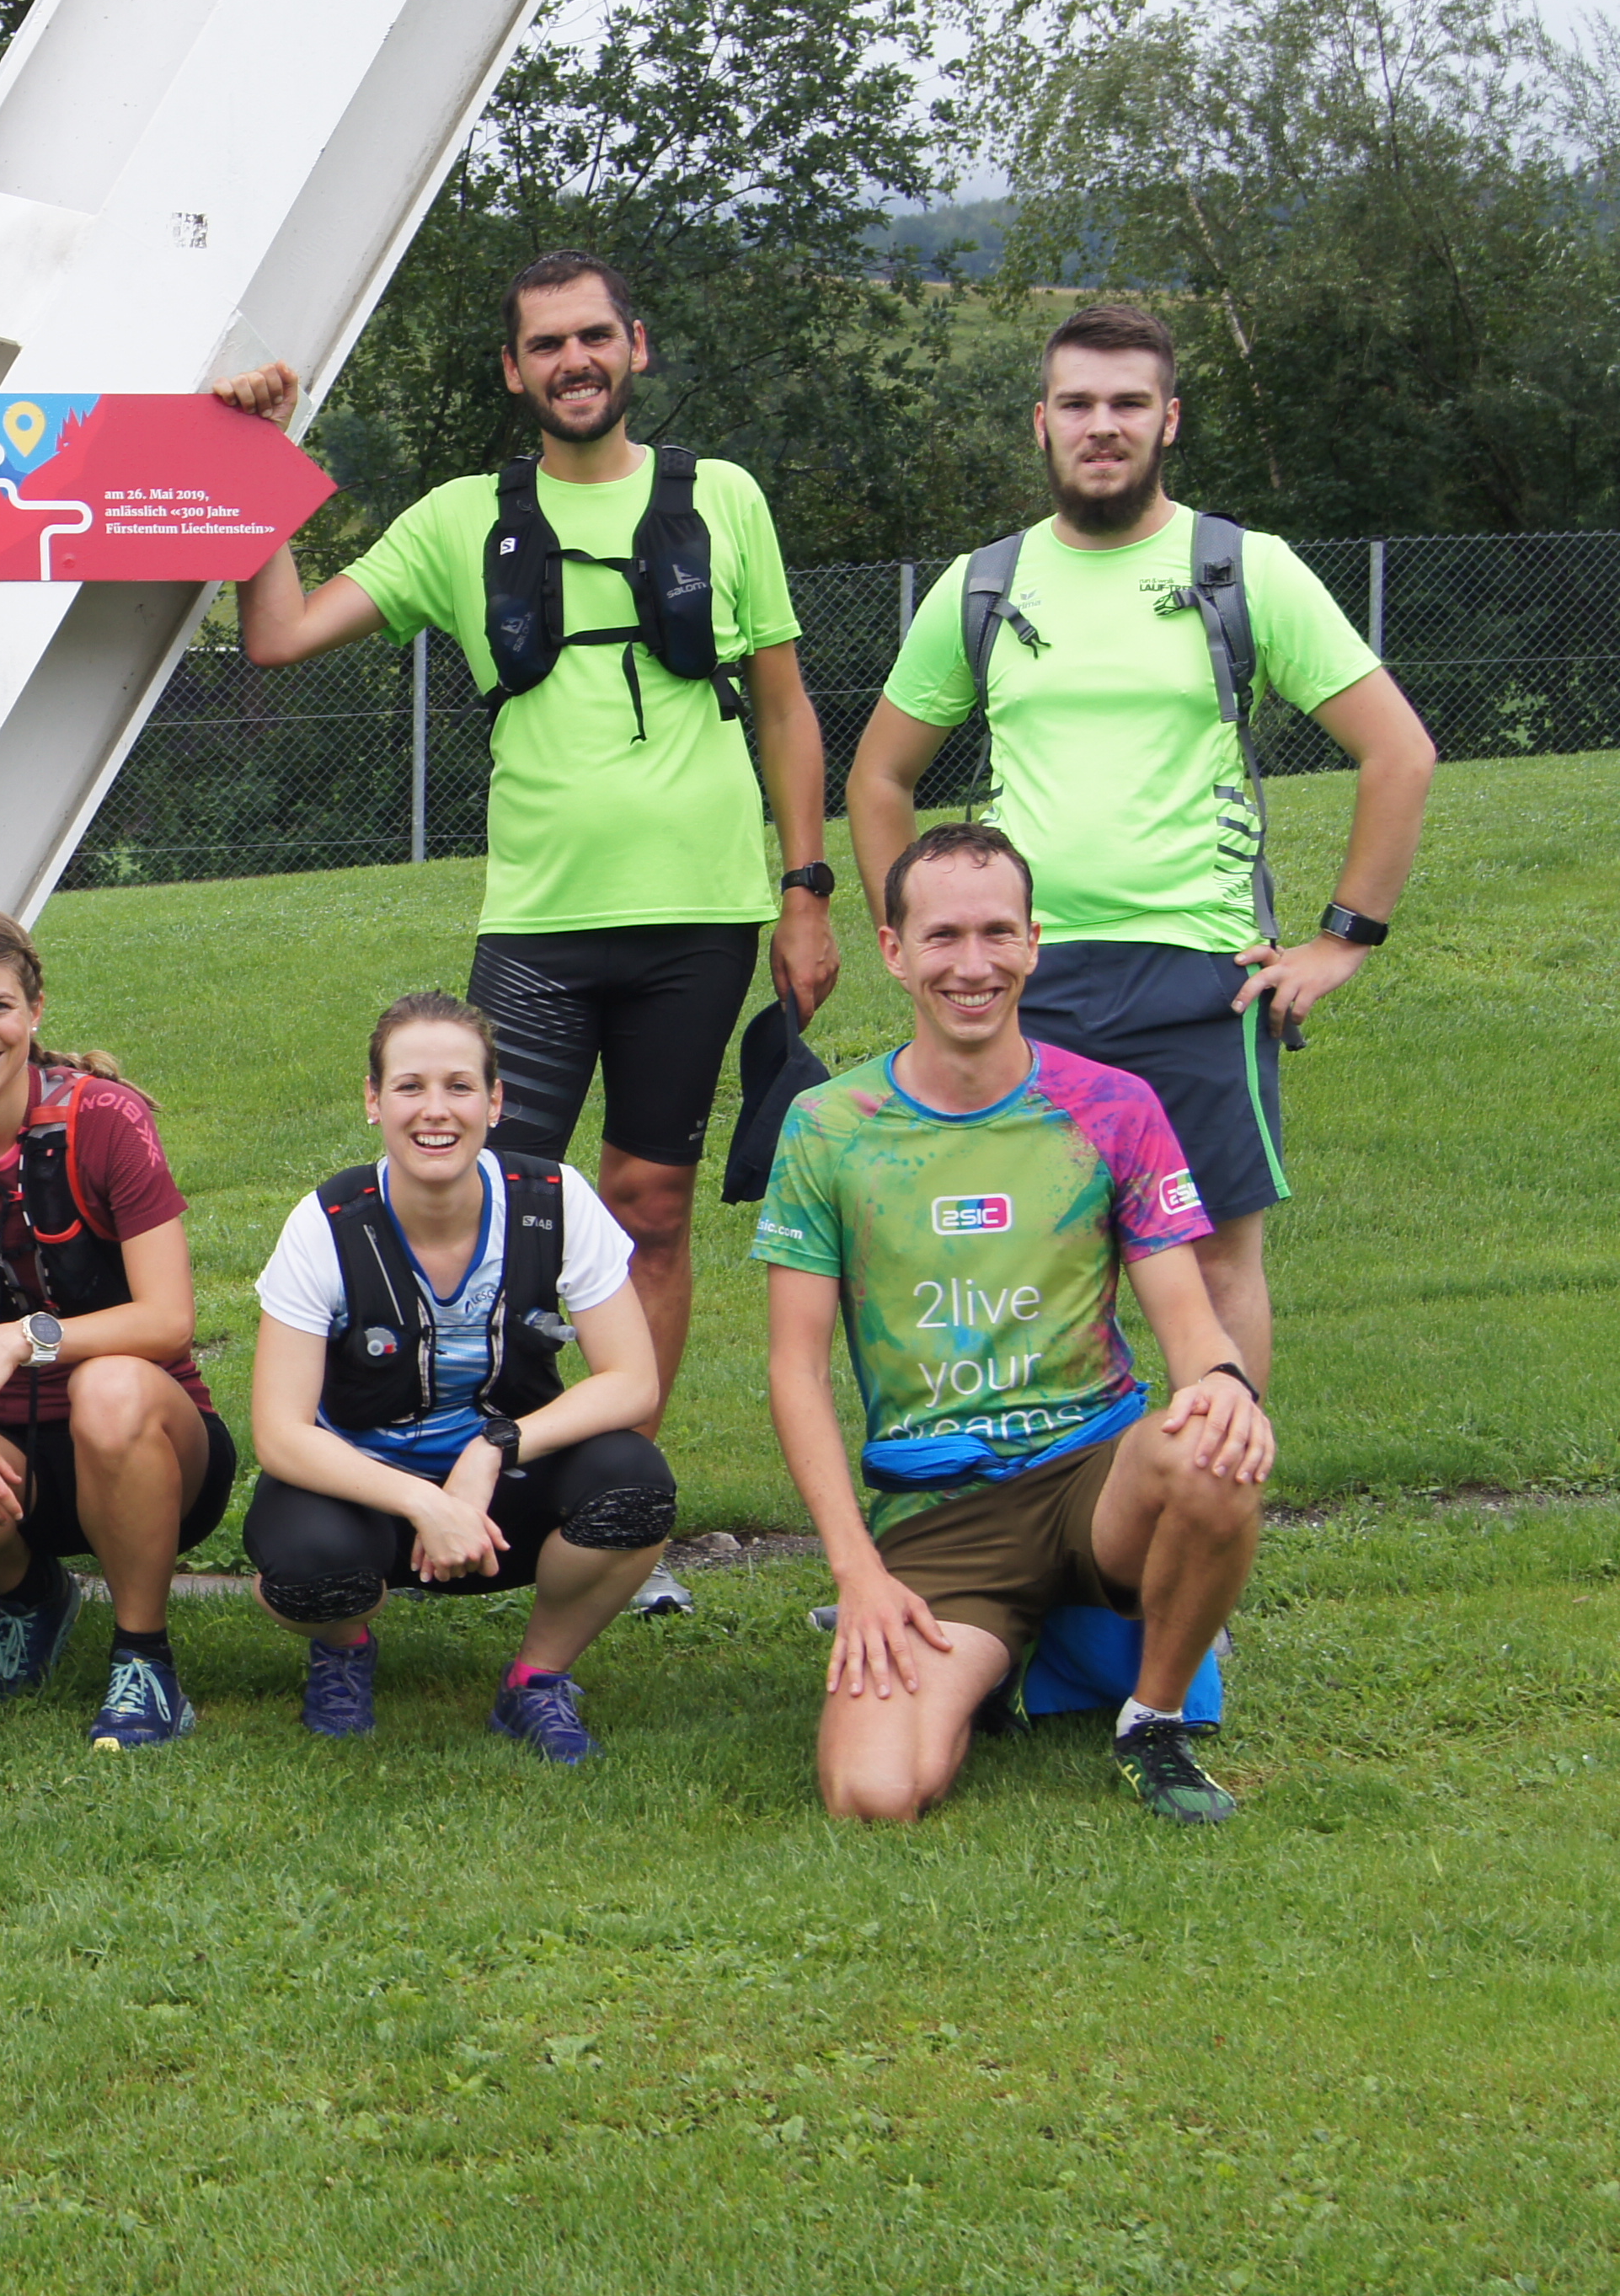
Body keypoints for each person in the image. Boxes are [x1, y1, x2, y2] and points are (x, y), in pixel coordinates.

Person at [218, 257, 840, 1614]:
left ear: (636, 347)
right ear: (515, 371)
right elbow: (278, 634)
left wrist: (806, 888)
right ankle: (456, 1479)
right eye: (547, 344)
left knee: (653, 1212)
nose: (575, 360)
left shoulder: (720, 498)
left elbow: (787, 709)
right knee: (491, 1206)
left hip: (702, 912)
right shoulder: (460, 522)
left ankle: (620, 1513)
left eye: (595, 336)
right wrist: (260, 462)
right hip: (542, 923)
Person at [845, 302, 1436, 1392]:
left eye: (1127, 403)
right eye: (1078, 403)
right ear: (1041, 423)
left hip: (1204, 979)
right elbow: (880, 776)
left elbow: (1399, 752)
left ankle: (1215, 1530)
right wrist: (926, 947)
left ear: (1170, 420)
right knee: (1037, 1273)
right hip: (1032, 988)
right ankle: (1061, 1537)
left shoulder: (1242, 569)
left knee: (1214, 1269)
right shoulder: (985, 585)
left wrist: (1342, 942)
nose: (1101, 425)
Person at [757, 822, 1271, 1826]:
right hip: (939, 1512)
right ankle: (998, 1659)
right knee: (874, 1794)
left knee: (1211, 1447)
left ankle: (1152, 1720)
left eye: (998, 933)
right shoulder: (830, 1127)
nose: (973, 964)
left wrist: (1221, 1384)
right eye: (942, 936)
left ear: (1034, 941)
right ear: (895, 951)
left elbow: (1185, 1316)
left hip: (1095, 1474)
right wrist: (855, 1571)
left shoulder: (1112, 1107)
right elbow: (793, 1370)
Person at [238, 993, 677, 1758]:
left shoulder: (554, 1201)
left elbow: (632, 1382)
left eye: (459, 1086)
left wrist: (491, 1451)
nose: (434, 1110)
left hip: (507, 1487)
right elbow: (279, 1432)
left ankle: (535, 1682)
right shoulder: (327, 1223)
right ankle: (342, 1648)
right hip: (369, 1489)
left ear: (495, 1101)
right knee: (306, 1573)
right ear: (373, 1102)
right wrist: (423, 1503)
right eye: (409, 1086)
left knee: (635, 1485)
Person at [0, 905, 235, 1751]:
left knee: (107, 1385)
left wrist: (20, 1337)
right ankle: (32, 1593)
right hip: (15, 1462)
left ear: (35, 1011)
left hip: (153, 1443)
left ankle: (144, 1661)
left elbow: (169, 1321)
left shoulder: (105, 1118)